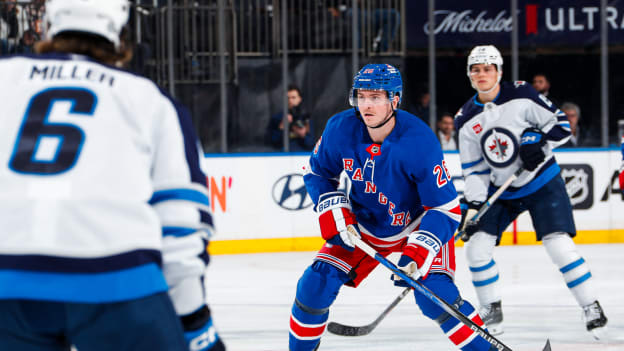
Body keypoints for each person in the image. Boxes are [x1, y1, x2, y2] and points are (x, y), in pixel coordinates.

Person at [0, 1, 225, 350]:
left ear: (47, 23)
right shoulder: (149, 99)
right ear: (121, 31)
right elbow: (180, 223)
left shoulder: (5, 75)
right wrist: (194, 322)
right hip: (114, 278)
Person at [289, 63, 501, 351]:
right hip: (364, 225)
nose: (366, 105)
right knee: (314, 287)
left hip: (417, 224)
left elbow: (446, 209)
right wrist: (333, 210)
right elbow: (317, 172)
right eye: (361, 96)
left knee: (435, 298)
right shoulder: (340, 128)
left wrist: (419, 250)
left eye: (376, 97)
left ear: (395, 100)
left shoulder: (419, 141)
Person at [455, 45, 608, 339]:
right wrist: (473, 207)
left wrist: (538, 141)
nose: (482, 74)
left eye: (488, 68)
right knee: (476, 249)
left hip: (541, 182)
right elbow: (474, 170)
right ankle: (491, 308)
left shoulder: (522, 94)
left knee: (558, 246)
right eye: (476, 69)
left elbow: (561, 124)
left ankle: (591, 305)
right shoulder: (465, 120)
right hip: (503, 190)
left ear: (499, 71)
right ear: (470, 76)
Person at [267, 84, 315, 151]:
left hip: (301, 157)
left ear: (299, 99)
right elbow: (271, 143)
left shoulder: (306, 118)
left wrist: (303, 135)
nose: (290, 101)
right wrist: (281, 127)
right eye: (287, 98)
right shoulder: (277, 118)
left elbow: (311, 144)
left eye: (293, 97)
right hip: (280, 157)